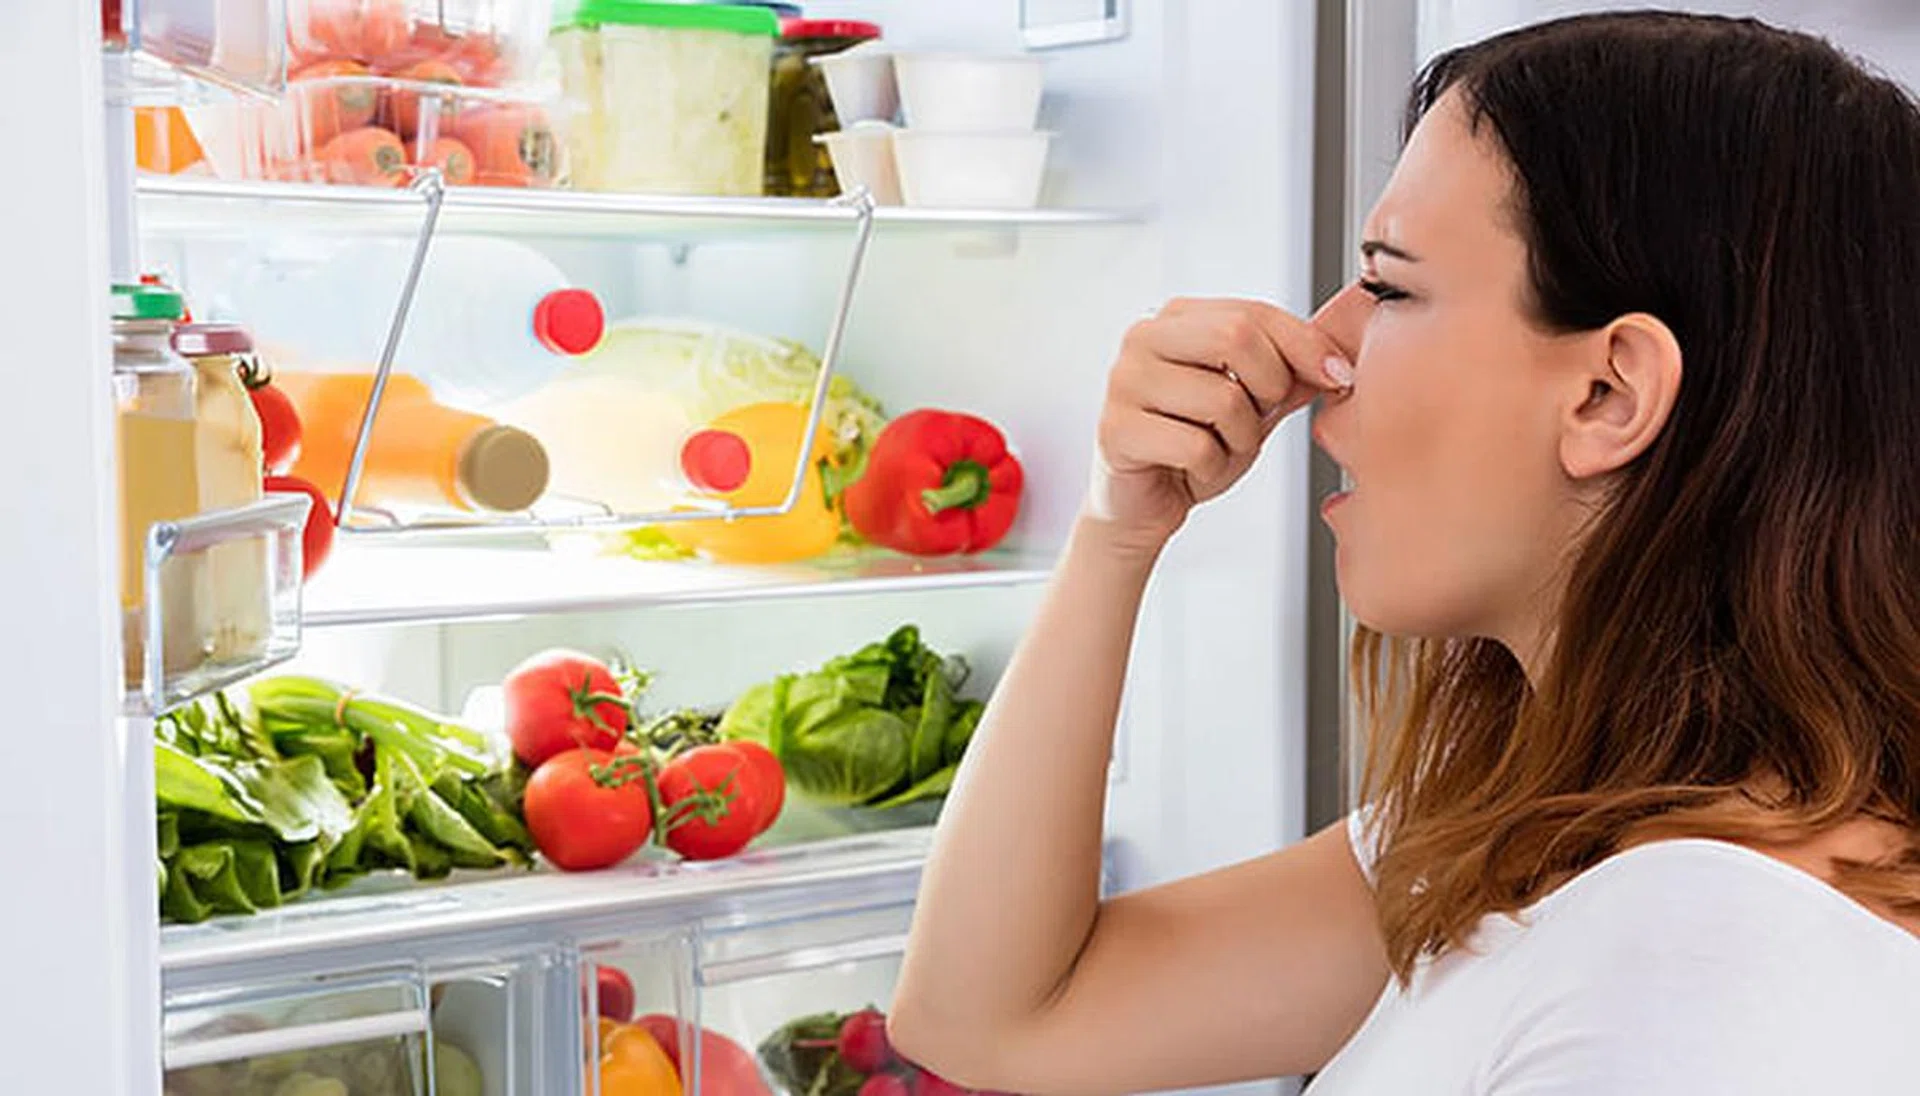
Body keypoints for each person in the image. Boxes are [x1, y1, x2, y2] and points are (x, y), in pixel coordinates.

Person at [885, 11, 1920, 1094]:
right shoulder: (1566, 829)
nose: (1324, 355)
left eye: (1389, 286)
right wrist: (1116, 530)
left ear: (1609, 393)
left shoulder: (1695, 960)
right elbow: (993, 1017)